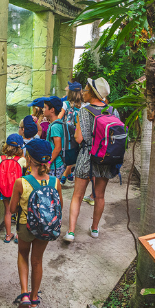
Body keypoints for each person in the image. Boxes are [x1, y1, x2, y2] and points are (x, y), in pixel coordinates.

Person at [5, 139, 62, 308]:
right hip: (45, 228)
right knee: (37, 260)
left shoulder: (21, 182)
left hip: (25, 226)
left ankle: (24, 294)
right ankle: (35, 297)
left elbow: (13, 209)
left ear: (29, 159)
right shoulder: (55, 182)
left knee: (23, 254)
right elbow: (59, 208)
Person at [64, 77, 118, 243]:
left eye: (86, 90)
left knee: (77, 196)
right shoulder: (113, 111)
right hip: (105, 158)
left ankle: (71, 232)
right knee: (99, 196)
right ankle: (94, 229)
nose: (83, 93)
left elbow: (79, 139)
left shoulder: (84, 112)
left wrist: (75, 133)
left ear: (93, 93)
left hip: (87, 156)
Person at [0, 134, 26, 243]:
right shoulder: (21, 160)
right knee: (18, 212)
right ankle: (18, 235)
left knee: (7, 212)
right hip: (17, 190)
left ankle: (8, 235)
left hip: (4, 190)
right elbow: (27, 167)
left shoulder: (0, 159)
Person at [43, 97, 66, 179]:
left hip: (55, 165)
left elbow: (58, 147)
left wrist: (49, 162)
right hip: (57, 163)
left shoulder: (55, 127)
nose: (43, 109)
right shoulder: (59, 123)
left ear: (52, 110)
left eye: (45, 107)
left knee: (51, 189)